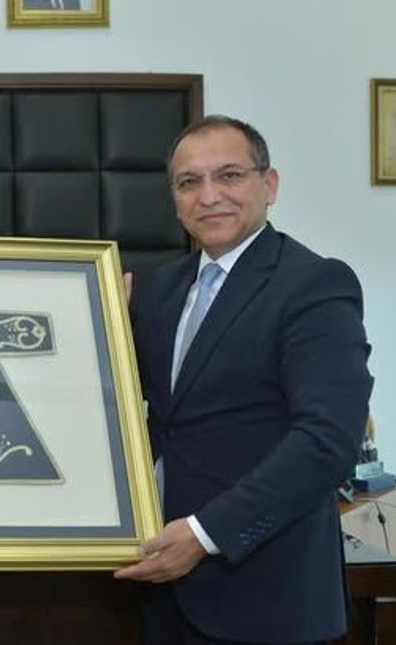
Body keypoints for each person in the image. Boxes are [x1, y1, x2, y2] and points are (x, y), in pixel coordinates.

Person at [115, 115, 373, 644]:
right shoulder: (160, 289)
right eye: (189, 182)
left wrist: (204, 535)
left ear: (268, 185)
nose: (209, 196)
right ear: (175, 199)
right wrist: (99, 332)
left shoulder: (314, 283)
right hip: (161, 585)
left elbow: (327, 441)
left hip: (266, 594)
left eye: (229, 175)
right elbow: (131, 407)